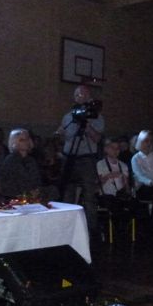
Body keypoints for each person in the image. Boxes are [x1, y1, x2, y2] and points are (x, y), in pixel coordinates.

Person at [57, 85, 104, 232]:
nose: (79, 97)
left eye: (82, 94)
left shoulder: (96, 116)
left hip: (86, 159)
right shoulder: (68, 117)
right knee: (68, 192)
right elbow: (64, 139)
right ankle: (67, 227)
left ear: (89, 97)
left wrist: (86, 124)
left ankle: (90, 230)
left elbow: (97, 138)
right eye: (77, 94)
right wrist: (60, 134)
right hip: (69, 157)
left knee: (89, 195)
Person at [0, 128, 58, 201]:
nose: (25, 142)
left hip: (31, 192)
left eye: (27, 139)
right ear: (14, 142)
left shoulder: (31, 160)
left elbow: (36, 179)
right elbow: (19, 182)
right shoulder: (11, 160)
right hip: (16, 195)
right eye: (22, 140)